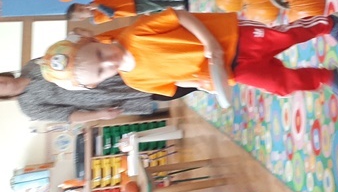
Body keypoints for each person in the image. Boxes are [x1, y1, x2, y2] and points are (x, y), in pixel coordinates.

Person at [41, 9, 338, 101]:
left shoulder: (135, 34)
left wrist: (209, 42)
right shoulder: (135, 80)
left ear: (95, 40)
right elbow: (176, 83)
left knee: (284, 37)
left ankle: (328, 24)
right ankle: (325, 76)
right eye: (101, 70)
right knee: (280, 85)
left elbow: (179, 16)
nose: (108, 61)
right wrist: (203, 84)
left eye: (99, 53)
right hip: (230, 71)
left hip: (232, 36)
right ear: (98, 82)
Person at [1, 59, 194, 124]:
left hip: (102, 73)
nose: (3, 83)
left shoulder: (31, 66)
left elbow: (65, 58)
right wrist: (99, 114)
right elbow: (67, 116)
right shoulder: (28, 107)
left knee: (155, 69)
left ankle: (197, 66)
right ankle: (200, 83)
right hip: (102, 97)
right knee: (164, 91)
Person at [67, 0, 189, 24]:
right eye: (81, 10)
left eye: (81, 5)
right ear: (82, 18)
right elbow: (111, 13)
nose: (84, 7)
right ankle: (180, 4)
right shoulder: (96, 19)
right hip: (133, 9)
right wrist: (98, 6)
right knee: (158, 6)